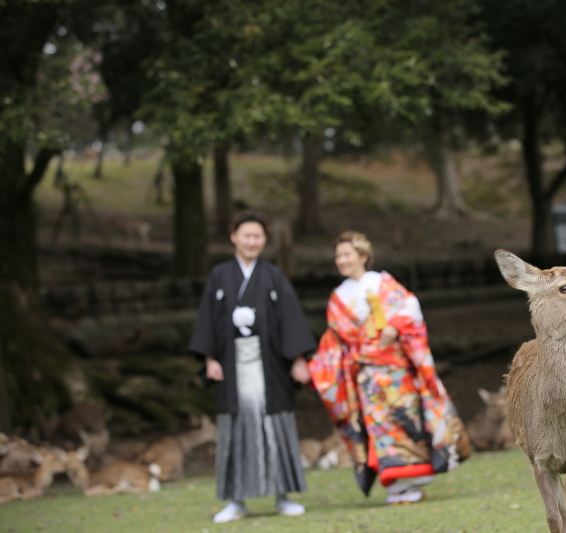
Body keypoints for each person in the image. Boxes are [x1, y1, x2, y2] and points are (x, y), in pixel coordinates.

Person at [304, 231, 470, 504]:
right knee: (380, 430)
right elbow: (335, 339)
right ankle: (397, 485)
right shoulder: (338, 297)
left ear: (363, 256)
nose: (341, 260)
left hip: (396, 370)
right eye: (338, 256)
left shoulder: (383, 283)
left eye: (346, 254)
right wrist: (317, 368)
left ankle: (414, 477)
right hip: (367, 376)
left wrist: (395, 325)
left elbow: (411, 306)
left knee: (407, 422)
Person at [189, 210, 317, 523]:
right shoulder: (220, 275)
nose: (251, 241)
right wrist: (209, 358)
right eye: (246, 235)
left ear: (265, 240)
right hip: (233, 365)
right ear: (233, 236)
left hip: (269, 364)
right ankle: (237, 500)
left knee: (275, 425)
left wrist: (299, 358)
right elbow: (208, 319)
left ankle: (283, 495)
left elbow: (290, 318)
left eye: (257, 236)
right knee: (236, 428)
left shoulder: (274, 276)